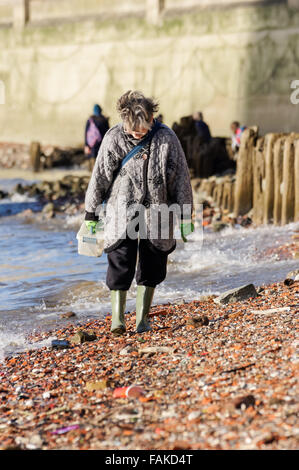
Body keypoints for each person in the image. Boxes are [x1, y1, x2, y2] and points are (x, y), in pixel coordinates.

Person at [84, 90, 194, 335]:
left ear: (152, 117)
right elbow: (99, 177)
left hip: (157, 213)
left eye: (142, 129)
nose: (137, 133)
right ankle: (117, 319)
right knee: (120, 263)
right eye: (133, 129)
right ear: (124, 120)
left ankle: (142, 319)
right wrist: (90, 214)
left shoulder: (167, 138)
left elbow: (181, 179)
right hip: (121, 212)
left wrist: (186, 215)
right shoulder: (113, 138)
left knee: (152, 264)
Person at [84, 104, 109, 170]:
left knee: (92, 160)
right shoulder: (104, 119)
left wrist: (86, 145)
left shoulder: (90, 120)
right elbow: (108, 132)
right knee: (101, 160)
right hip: (102, 143)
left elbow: (86, 133)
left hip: (92, 144)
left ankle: (92, 173)